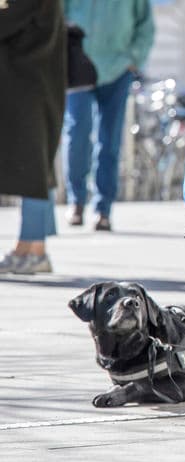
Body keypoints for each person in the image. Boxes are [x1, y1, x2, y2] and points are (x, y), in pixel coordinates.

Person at [61, 0, 155, 231]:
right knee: (76, 133)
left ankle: (103, 209)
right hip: (77, 65)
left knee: (109, 141)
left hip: (117, 69)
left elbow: (145, 26)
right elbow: (56, 18)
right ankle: (76, 201)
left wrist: (134, 60)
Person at [0, 0, 66, 274]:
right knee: (38, 168)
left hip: (30, 91)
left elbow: (7, 21)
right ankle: (31, 246)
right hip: (33, 88)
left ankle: (34, 246)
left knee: (35, 169)